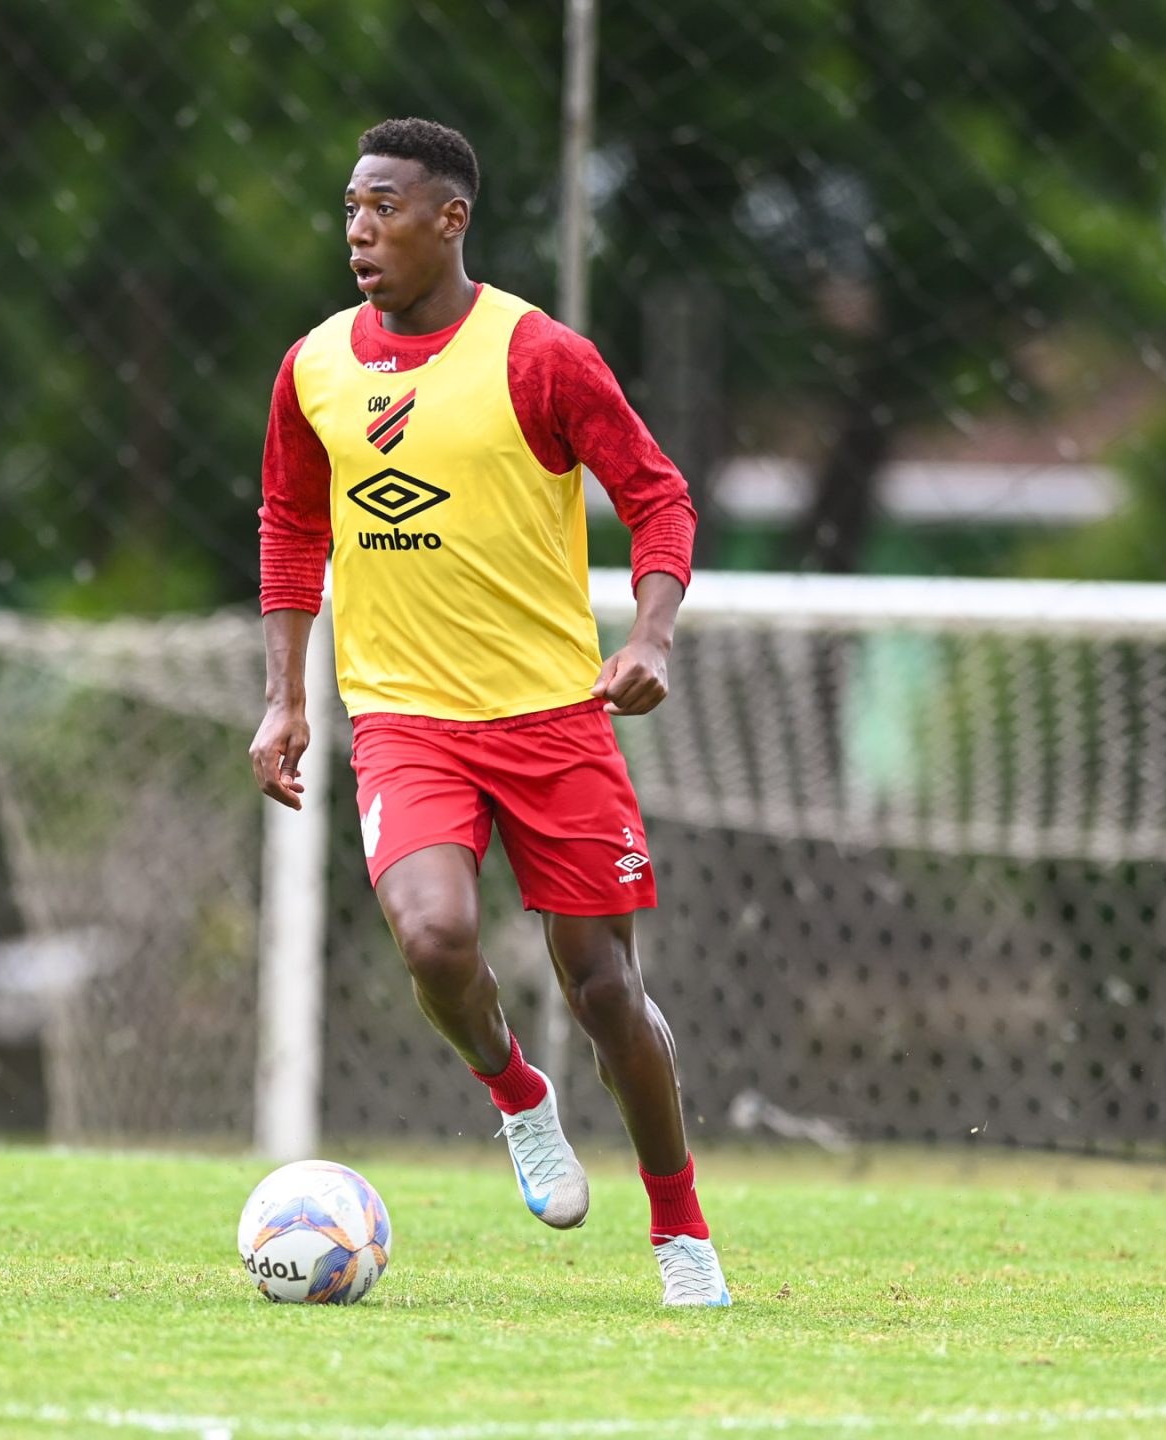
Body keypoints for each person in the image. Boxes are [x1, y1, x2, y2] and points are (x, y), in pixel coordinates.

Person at [248, 117, 726, 1306]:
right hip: (405, 716)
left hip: (554, 719)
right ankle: (517, 1095)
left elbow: (658, 500)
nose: (359, 230)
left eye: (385, 207)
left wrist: (651, 637)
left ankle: (681, 1234)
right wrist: (283, 699)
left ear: (449, 218)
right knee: (433, 937)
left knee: (605, 989)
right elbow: (291, 527)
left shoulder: (540, 355)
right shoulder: (313, 367)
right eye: (351, 207)